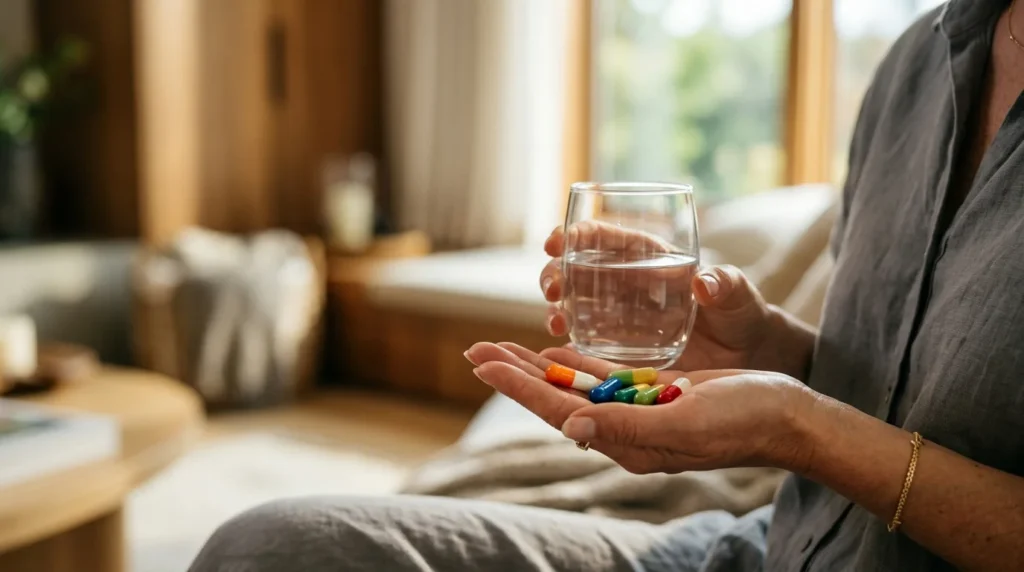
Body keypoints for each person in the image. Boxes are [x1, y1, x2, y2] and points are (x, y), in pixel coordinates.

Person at [188, 1, 1024, 570]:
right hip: (760, 550)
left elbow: (825, 427)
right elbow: (894, 378)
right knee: (275, 547)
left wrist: (797, 429)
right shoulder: (919, 61)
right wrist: (765, 346)